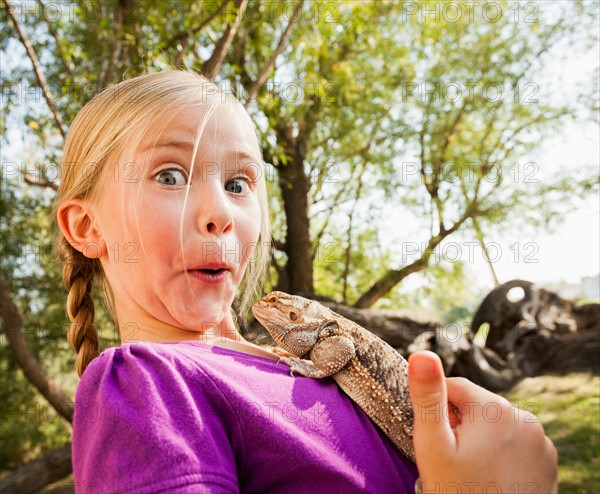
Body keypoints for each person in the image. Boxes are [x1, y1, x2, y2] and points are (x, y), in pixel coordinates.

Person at [54, 70, 558, 493]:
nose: (218, 211)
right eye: (169, 176)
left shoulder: (298, 365)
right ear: (88, 228)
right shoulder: (146, 385)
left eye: (237, 184)